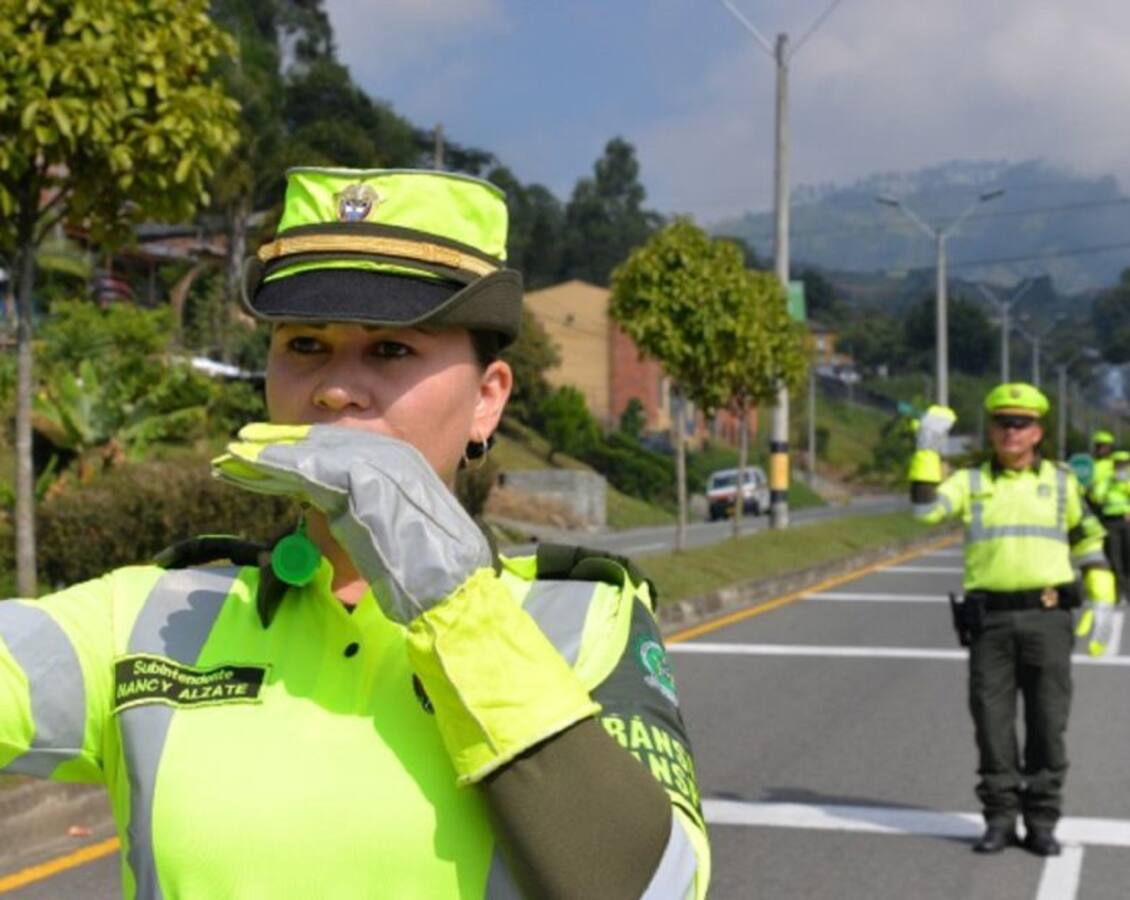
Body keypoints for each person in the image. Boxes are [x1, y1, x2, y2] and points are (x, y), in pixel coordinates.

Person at [0, 168, 709, 899]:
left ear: (487, 400)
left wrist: (454, 606)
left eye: (392, 350)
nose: (336, 387)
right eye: (305, 345)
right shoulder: (153, 615)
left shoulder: (581, 620)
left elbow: (661, 887)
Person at [908, 383, 1115, 857]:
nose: (1010, 431)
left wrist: (1102, 597)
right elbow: (924, 510)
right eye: (1002, 422)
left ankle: (1041, 820)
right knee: (991, 725)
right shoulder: (971, 481)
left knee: (1047, 723)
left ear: (1038, 431)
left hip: (1048, 619)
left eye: (1021, 423)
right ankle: (999, 818)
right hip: (990, 624)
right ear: (991, 429)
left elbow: (1088, 539)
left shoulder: (1063, 482)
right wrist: (927, 449)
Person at [1092, 449, 1130, 606]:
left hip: (1127, 521)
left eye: (1123, 464)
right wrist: (1110, 484)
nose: (1121, 467)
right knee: (1114, 559)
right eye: (1118, 464)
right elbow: (1097, 496)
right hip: (1110, 522)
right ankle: (1117, 593)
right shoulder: (1107, 480)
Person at [1086, 430, 1115, 515]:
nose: (1101, 449)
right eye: (1099, 446)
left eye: (1105, 446)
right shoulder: (1090, 463)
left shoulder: (1115, 463)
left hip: (1109, 504)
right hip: (1091, 503)